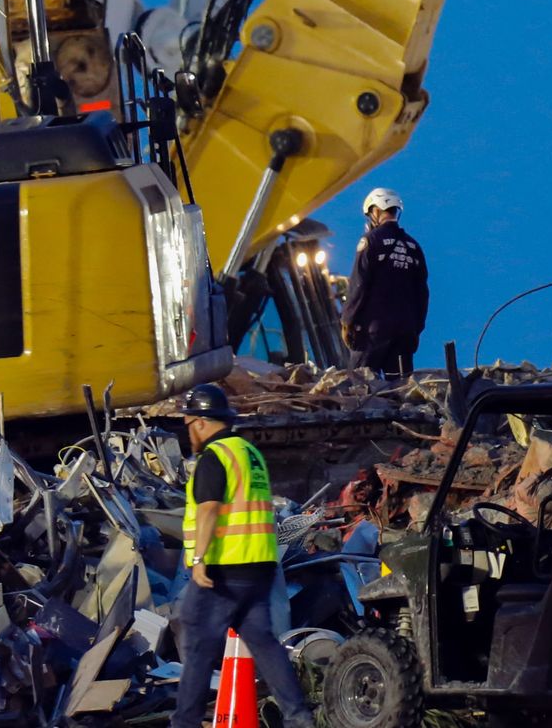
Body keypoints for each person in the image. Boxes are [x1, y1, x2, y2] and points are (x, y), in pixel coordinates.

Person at [174, 384, 313, 728]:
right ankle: (300, 718)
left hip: (224, 567)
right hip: (260, 564)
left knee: (196, 641)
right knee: (264, 642)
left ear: (203, 423)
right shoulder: (249, 453)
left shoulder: (213, 457)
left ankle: (183, 723)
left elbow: (208, 511)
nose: (189, 432)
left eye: (189, 423)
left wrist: (200, 558)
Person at [340, 187, 429, 379]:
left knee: (359, 387)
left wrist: (347, 320)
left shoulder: (370, 241)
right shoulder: (413, 247)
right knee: (399, 392)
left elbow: (359, 284)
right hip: (405, 333)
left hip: (374, 333)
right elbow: (422, 294)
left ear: (375, 211)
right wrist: (415, 329)